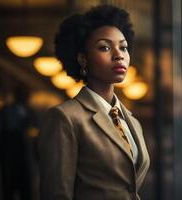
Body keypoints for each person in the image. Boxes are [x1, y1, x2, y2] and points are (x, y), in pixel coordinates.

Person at [38, 5, 150, 200]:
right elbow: (56, 194)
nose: (119, 55)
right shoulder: (65, 118)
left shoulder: (132, 122)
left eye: (123, 47)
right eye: (104, 47)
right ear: (83, 59)